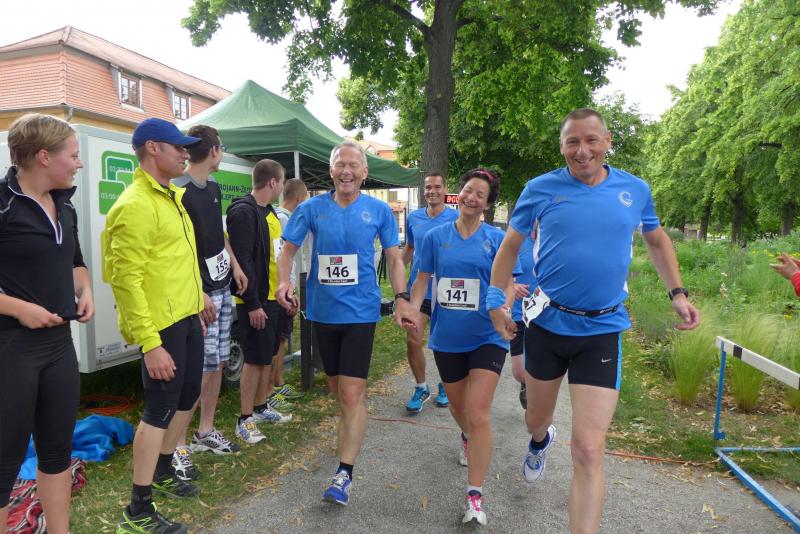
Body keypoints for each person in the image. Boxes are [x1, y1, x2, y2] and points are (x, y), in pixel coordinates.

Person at [488, 108, 700, 534]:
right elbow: (510, 246)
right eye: (572, 142)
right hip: (548, 325)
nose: (582, 150)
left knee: (587, 448)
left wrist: (677, 293)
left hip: (602, 330)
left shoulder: (634, 189)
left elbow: (657, 239)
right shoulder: (540, 189)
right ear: (562, 147)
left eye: (590, 140)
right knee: (536, 420)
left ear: (607, 142)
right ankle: (539, 440)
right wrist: (496, 302)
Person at [275, 140, 414, 506]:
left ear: (364, 173)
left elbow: (394, 259)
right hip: (322, 314)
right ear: (331, 170)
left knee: (351, 394)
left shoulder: (379, 211)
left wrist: (401, 297)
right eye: (341, 165)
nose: (347, 171)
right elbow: (287, 250)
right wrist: (284, 282)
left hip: (361, 314)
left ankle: (344, 474)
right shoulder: (311, 208)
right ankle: (352, 422)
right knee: (339, 391)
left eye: (354, 165)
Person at [104, 118, 206, 534]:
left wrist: (198, 302)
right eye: (178, 146)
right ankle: (138, 509)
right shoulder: (134, 204)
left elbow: (175, 262)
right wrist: (150, 343)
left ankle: (163, 471)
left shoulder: (171, 196)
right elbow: (125, 281)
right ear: (152, 148)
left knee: (189, 394)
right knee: (160, 408)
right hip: (160, 327)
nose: (185, 153)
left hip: (186, 316)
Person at [406, 168, 518, 526]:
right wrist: (412, 309)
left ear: (487, 204)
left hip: (487, 335)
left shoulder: (496, 239)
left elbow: (508, 283)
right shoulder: (435, 237)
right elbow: (422, 279)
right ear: (459, 193)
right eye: (468, 190)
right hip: (448, 335)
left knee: (479, 410)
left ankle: (475, 495)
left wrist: (504, 309)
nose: (471, 198)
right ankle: (467, 435)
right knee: (459, 408)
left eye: (479, 195)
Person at [0, 113, 94, 534]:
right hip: (11, 349)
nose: (79, 163)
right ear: (43, 156)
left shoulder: (65, 204)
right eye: (73, 155)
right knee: (5, 461)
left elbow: (74, 261)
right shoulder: (3, 203)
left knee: (57, 451)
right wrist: (19, 308)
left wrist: (84, 290)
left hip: (58, 347)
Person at [169, 125, 247, 481]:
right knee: (196, 368)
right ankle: (178, 444)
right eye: (222, 148)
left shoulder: (213, 188)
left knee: (217, 363)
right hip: (197, 294)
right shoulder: (179, 191)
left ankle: (206, 430)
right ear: (214, 150)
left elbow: (219, 234)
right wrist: (196, 292)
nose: (223, 153)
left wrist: (236, 265)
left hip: (222, 286)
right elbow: (177, 248)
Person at [226, 159, 291, 446]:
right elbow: (242, 262)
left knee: (267, 355)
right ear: (273, 182)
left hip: (274, 297)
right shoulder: (243, 211)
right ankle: (244, 418)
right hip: (255, 300)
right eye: (282, 181)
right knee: (253, 359)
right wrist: (252, 303)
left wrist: (286, 290)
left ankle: (261, 406)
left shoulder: (270, 212)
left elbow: (277, 256)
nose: (283, 186)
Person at [401, 173, 458, 413]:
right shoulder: (414, 217)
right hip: (419, 289)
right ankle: (421, 386)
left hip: (446, 290)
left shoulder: (456, 217)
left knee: (445, 342)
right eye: (428, 187)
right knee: (413, 339)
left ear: (445, 189)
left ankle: (446, 385)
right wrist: (397, 275)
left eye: (437, 187)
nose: (432, 191)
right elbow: (410, 247)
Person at [271, 178, 310, 406]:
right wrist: (288, 286)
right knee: (278, 339)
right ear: (298, 200)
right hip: (281, 288)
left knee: (282, 337)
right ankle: (274, 386)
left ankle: (278, 380)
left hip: (280, 287)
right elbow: (283, 256)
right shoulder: (284, 220)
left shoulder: (277, 216)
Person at [510, 229, 537, 409]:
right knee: (519, 372)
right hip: (519, 312)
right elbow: (499, 270)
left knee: (542, 365)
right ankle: (526, 383)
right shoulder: (518, 240)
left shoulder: (555, 240)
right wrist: (512, 285)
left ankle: (539, 403)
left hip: (546, 314)